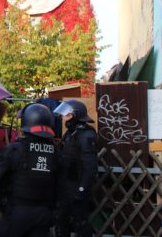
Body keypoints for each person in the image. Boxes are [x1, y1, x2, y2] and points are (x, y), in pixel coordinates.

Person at [0, 103, 58, 237]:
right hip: (44, 213)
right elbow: (62, 183)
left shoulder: (16, 149)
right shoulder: (55, 152)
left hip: (18, 211)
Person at [53, 99, 98, 237]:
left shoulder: (87, 134)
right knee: (61, 220)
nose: (63, 118)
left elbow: (90, 166)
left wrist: (82, 188)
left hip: (77, 184)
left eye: (67, 115)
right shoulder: (70, 133)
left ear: (76, 115)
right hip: (65, 184)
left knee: (80, 221)